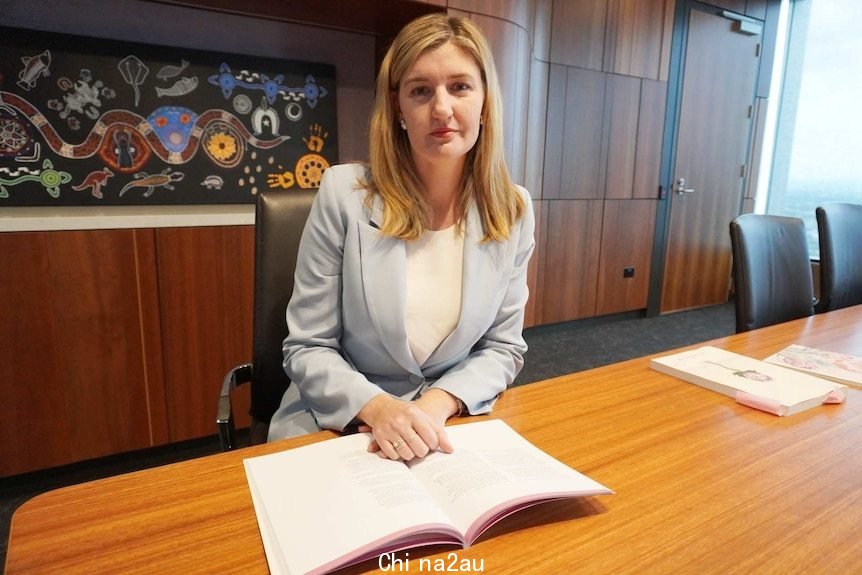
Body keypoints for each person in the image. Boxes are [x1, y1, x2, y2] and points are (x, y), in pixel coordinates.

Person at [267, 13, 535, 462]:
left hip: (449, 427)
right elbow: (307, 346)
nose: (442, 108)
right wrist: (379, 408)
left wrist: (436, 405)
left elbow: (503, 348)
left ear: (486, 102)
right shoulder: (343, 194)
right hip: (341, 424)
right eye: (421, 90)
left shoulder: (513, 209)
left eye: (461, 86)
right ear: (398, 108)